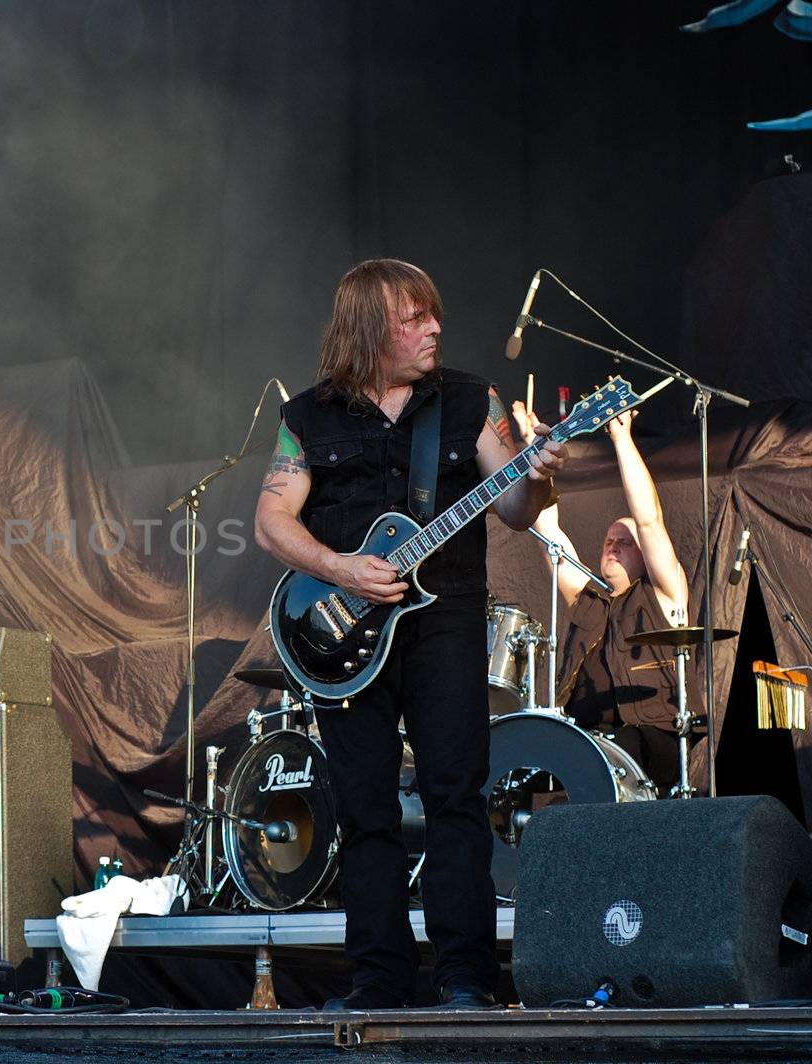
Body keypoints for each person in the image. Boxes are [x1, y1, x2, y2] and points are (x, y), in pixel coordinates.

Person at [253, 259, 567, 1010]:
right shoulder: (308, 417)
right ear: (369, 328)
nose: (434, 327)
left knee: (456, 797)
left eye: (435, 315)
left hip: (446, 623)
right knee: (365, 808)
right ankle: (379, 982)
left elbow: (519, 508)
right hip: (344, 634)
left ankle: (465, 979)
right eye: (414, 317)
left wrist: (543, 471)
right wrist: (342, 569)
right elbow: (270, 522)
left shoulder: (467, 400)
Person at [511, 403, 689, 795]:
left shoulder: (664, 592)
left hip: (644, 737)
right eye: (609, 540)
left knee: (613, 757)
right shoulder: (586, 599)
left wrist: (621, 437)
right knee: (518, 770)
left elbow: (649, 518)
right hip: (583, 737)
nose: (612, 545)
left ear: (645, 554)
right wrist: (533, 453)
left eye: (625, 542)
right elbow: (551, 536)